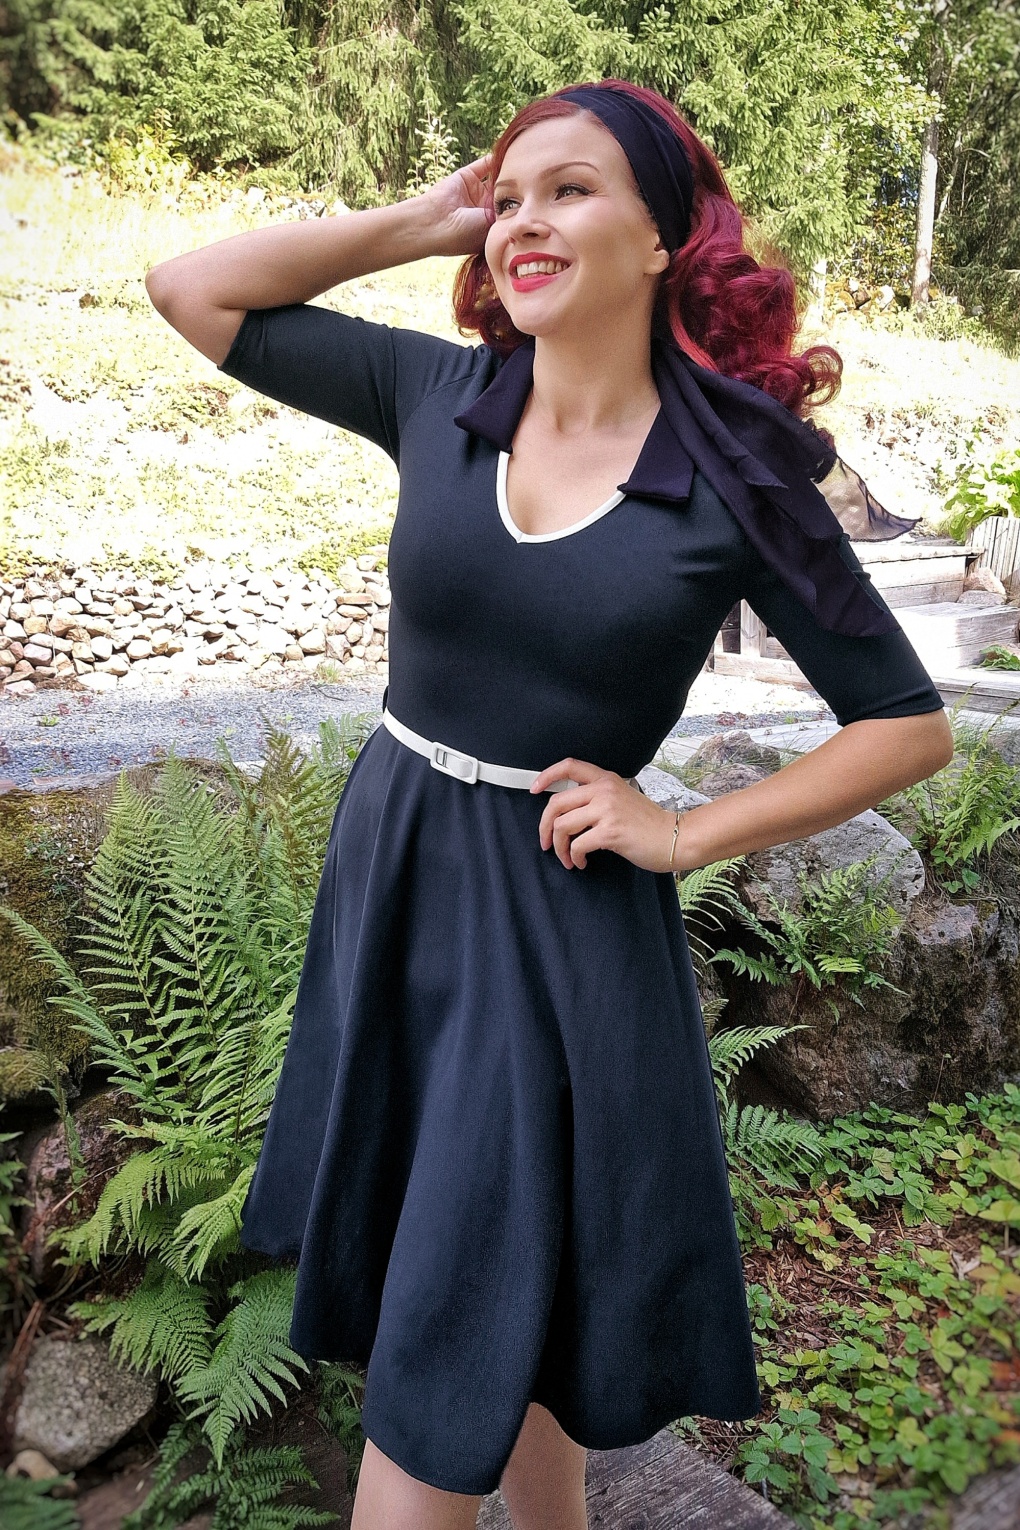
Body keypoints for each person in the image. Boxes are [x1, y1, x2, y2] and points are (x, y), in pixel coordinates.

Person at [145, 78, 954, 1530]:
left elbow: (907, 725)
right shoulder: (442, 396)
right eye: (509, 196)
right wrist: (428, 219)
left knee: (450, 1337)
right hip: (398, 884)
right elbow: (190, 288)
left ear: (665, 237)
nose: (525, 219)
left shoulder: (733, 475)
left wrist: (684, 831)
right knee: (513, 1331)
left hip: (556, 930)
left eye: (570, 190)